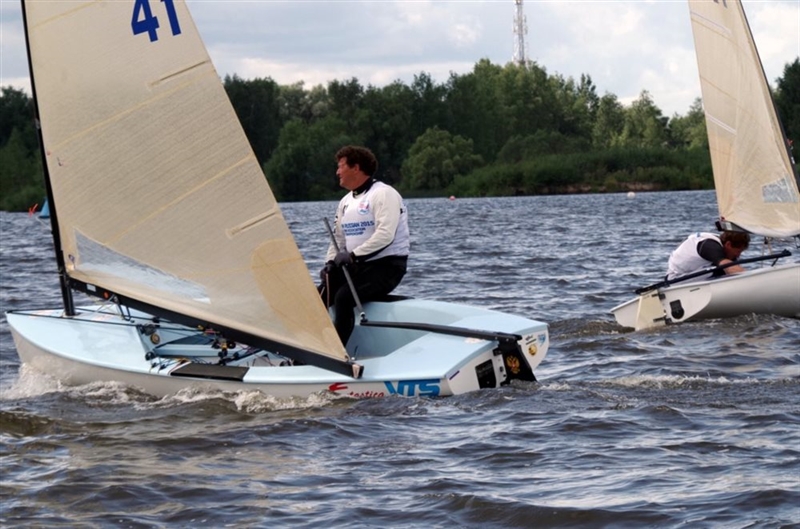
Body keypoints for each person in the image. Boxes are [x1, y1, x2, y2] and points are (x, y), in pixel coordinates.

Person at [319, 145, 410, 346]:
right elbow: (338, 240)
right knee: (320, 295)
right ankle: (309, 347)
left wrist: (353, 256)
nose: (337, 172)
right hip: (356, 266)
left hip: (386, 267)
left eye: (341, 166)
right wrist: (330, 263)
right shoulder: (345, 201)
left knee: (343, 297)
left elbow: (385, 235)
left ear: (356, 168)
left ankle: (337, 352)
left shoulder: (384, 194)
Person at [666, 230, 750, 280]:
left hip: (693, 274)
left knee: (727, 270)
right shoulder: (709, 245)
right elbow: (726, 265)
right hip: (675, 279)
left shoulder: (722, 247)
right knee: (721, 269)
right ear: (728, 244)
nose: (738, 255)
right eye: (738, 251)